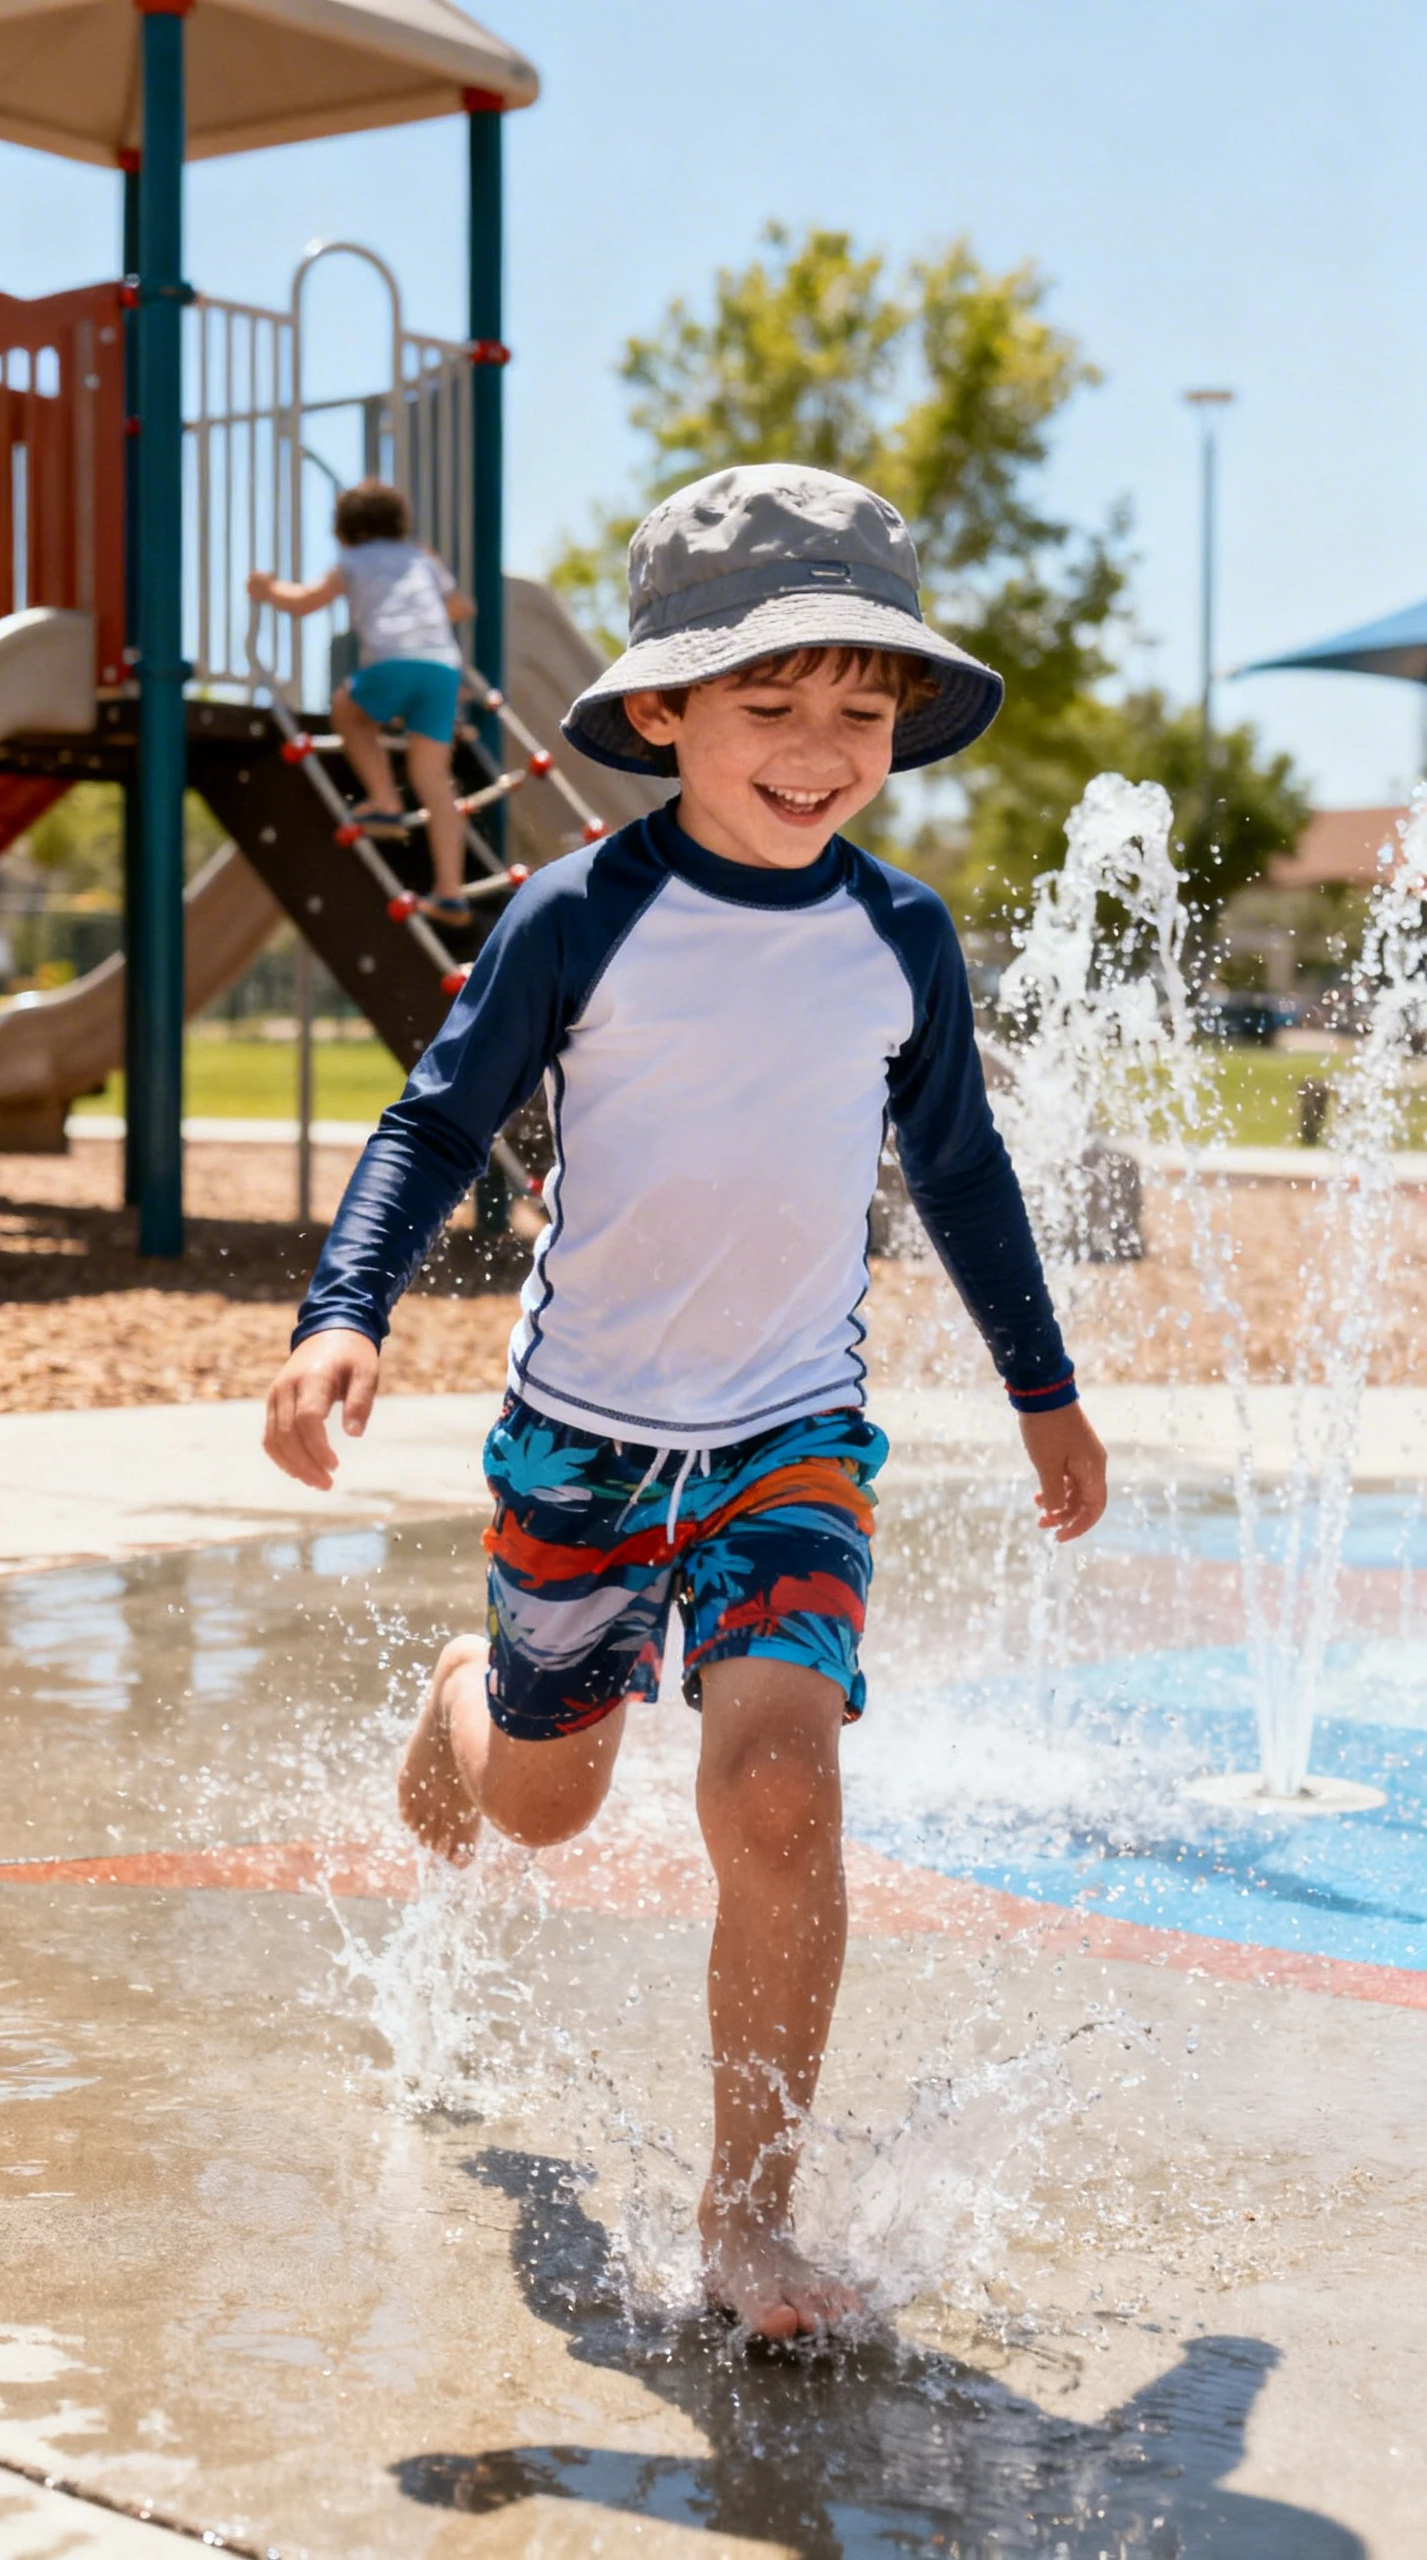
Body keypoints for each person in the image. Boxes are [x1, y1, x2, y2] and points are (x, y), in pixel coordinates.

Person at [262, 463, 1108, 2342]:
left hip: (793, 1438)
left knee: (785, 1790)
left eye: (860, 712)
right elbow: (435, 1120)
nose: (818, 751)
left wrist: (1045, 1392)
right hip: (584, 1439)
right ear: (663, 711)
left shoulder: (900, 940)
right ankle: (465, 1705)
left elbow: (961, 1174)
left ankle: (749, 2226)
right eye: (769, 706)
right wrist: (347, 1313)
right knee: (549, 1811)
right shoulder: (583, 914)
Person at [246, 480, 476, 927]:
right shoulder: (421, 558)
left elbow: (304, 603)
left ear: (344, 530)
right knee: (433, 779)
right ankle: (450, 892)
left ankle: (385, 800)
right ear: (398, 523)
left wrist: (267, 589)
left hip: (390, 662)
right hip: (442, 667)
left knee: (349, 711)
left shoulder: (351, 561)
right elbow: (461, 607)